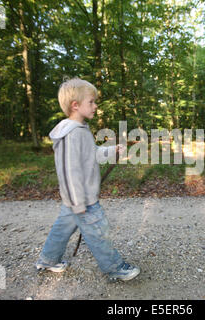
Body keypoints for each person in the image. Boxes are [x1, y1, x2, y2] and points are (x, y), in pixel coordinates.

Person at [35, 77, 140, 282]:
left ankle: (48, 260)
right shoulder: (71, 134)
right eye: (91, 102)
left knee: (61, 229)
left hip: (75, 201)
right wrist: (78, 202)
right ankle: (115, 267)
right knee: (98, 232)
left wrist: (112, 151)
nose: (95, 106)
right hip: (82, 199)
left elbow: (92, 154)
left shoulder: (81, 130)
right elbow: (68, 171)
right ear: (75, 105)